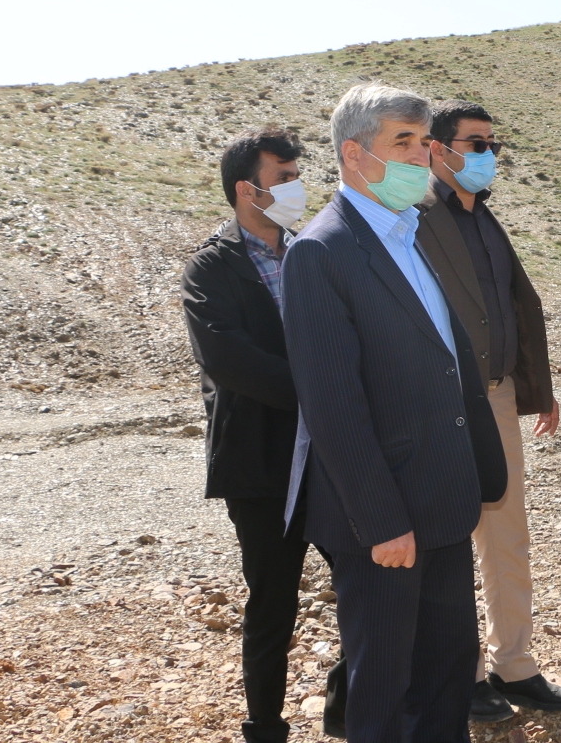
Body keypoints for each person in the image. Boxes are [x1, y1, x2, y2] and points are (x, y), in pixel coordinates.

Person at [282, 83, 508, 743]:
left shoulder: (408, 234)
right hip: (384, 521)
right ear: (354, 155)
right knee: (384, 687)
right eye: (401, 142)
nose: (419, 155)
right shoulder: (321, 252)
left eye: (423, 141)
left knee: (446, 673)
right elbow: (334, 405)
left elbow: (444, 359)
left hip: (442, 501)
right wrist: (383, 522)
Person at [415, 100, 561, 723]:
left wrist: (535, 387)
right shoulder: (414, 219)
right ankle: (458, 676)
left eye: (492, 144)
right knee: (448, 540)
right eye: (476, 144)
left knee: (506, 536)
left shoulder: (485, 219)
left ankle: (514, 664)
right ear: (438, 148)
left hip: (498, 394)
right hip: (441, 402)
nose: (488, 155)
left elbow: (511, 307)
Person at [182, 127, 347, 742]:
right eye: (284, 178)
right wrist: (318, 391)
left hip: (329, 453)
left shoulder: (312, 251)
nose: (297, 188)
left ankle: (346, 707)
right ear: (246, 190)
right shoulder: (211, 267)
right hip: (261, 461)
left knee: (364, 580)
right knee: (273, 600)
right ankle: (266, 727)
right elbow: (229, 359)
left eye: (297, 176)